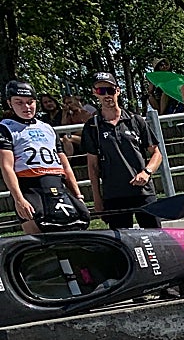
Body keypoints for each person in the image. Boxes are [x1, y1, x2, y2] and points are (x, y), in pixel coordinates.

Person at [0, 80, 90, 234]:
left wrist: (77, 195)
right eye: (19, 102)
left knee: (80, 223)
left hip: (57, 184)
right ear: (9, 103)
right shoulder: (5, 127)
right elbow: (7, 166)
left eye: (30, 102)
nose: (26, 107)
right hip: (30, 187)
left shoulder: (47, 128)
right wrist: (19, 199)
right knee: (39, 240)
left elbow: (65, 165)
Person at [81, 71, 162, 229]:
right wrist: (97, 199)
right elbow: (92, 166)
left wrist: (147, 172)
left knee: (156, 236)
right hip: (114, 194)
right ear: (95, 93)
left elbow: (156, 153)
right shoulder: (92, 126)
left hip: (143, 192)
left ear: (118, 91)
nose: (106, 95)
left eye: (110, 90)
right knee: (121, 241)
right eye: (100, 91)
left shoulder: (135, 120)